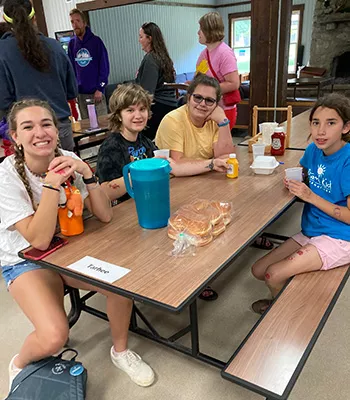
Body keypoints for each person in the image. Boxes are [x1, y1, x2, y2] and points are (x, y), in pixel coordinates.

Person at [0, 99, 155, 391]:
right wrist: (50, 185)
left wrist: (87, 173)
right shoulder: (5, 177)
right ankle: (20, 363)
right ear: (15, 137)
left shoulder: (68, 157)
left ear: (57, 131)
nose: (40, 132)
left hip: (68, 248)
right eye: (28, 126)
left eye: (46, 124)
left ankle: (120, 351)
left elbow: (105, 216)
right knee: (54, 336)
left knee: (119, 280)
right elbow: (38, 240)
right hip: (26, 260)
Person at [251, 93, 350, 315]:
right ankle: (286, 294)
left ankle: (284, 314)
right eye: (316, 123)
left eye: (331, 123)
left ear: (345, 127)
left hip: (341, 237)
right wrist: (295, 180)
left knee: (272, 274)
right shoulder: (314, 150)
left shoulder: (348, 160)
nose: (320, 131)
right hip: (313, 229)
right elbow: (307, 174)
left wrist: (310, 196)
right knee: (258, 270)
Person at [156, 73, 235, 300]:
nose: (202, 104)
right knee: (197, 227)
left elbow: (226, 157)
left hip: (202, 184)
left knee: (223, 216)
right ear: (188, 98)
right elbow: (176, 165)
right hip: (174, 188)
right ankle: (189, 281)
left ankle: (206, 272)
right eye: (197, 98)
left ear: (216, 104)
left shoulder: (213, 121)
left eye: (209, 100)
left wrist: (223, 122)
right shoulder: (174, 120)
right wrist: (211, 164)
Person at [96, 83, 229, 203]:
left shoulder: (145, 142)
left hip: (148, 201)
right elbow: (105, 193)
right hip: (124, 212)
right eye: (130, 110)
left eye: (142, 109)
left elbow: (174, 167)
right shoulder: (111, 147)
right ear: (118, 115)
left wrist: (212, 164)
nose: (138, 115)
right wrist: (143, 170)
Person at [0, 0, 77, 151]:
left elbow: (3, 102)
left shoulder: (2, 52)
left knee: (34, 175)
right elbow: (72, 91)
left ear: (5, 20)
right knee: (67, 172)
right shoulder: (55, 47)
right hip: (60, 128)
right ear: (34, 18)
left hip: (28, 134)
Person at [196, 12, 240, 130]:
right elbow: (200, 78)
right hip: (207, 108)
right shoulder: (204, 54)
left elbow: (234, 83)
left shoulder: (225, 53)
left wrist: (208, 90)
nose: (198, 33)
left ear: (210, 31)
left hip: (223, 109)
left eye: (201, 29)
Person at [136, 22, 177, 140]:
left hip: (157, 109)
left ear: (150, 39)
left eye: (141, 37)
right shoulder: (163, 56)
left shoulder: (151, 59)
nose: (139, 40)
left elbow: (147, 92)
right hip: (169, 108)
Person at [68, 8, 110, 120]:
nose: (75, 24)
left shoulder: (96, 42)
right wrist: (74, 90)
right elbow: (71, 69)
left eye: (77, 21)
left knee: (103, 124)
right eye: (72, 21)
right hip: (81, 94)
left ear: (84, 23)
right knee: (87, 125)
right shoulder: (72, 44)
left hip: (97, 93)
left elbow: (104, 67)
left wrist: (100, 89)